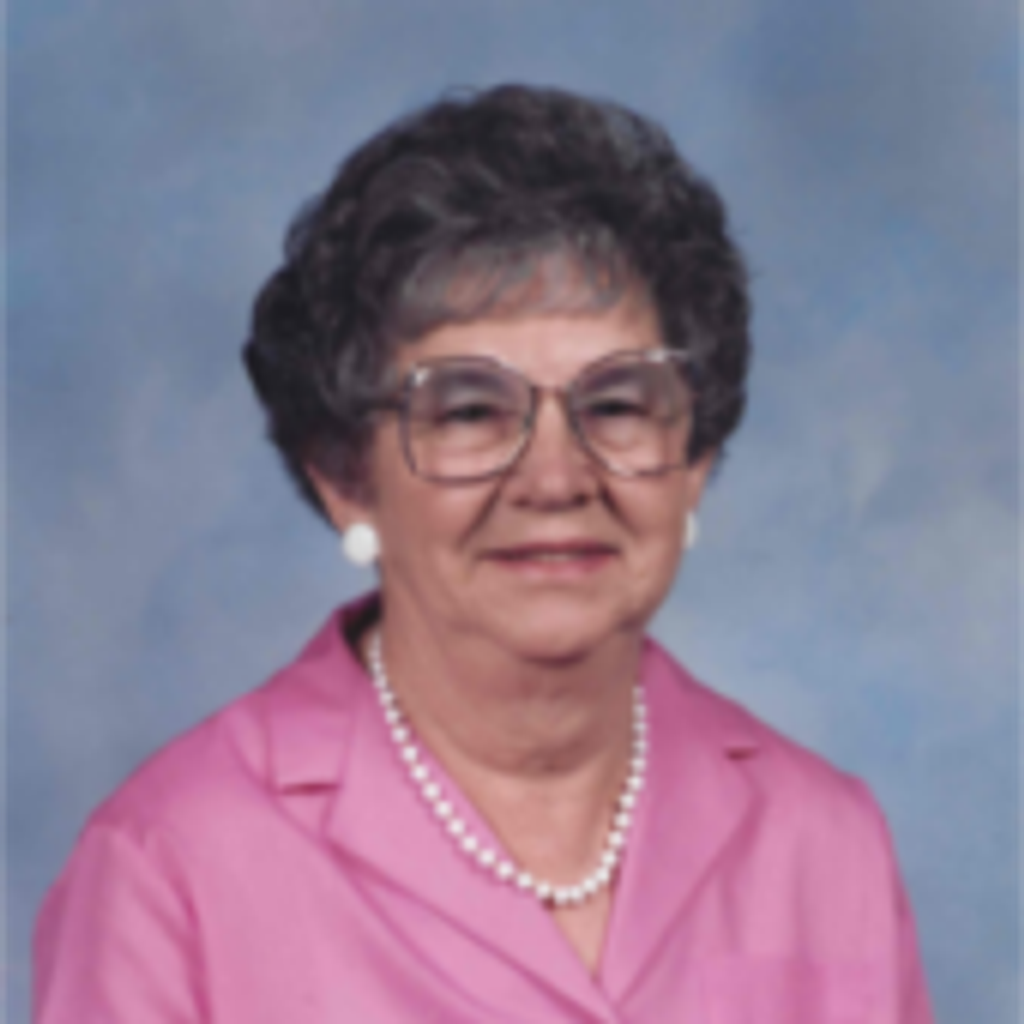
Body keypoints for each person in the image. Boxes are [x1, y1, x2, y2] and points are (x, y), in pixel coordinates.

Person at [33, 84, 934, 1022]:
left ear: (693, 459)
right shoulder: (171, 867)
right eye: (468, 410)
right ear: (345, 475)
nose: (556, 477)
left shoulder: (823, 842)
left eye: (616, 404)